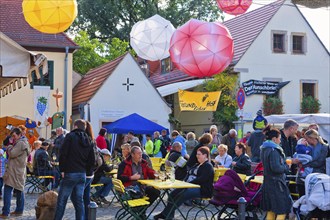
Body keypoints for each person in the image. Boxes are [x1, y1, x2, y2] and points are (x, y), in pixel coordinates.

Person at [154, 147, 214, 220]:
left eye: (199, 154)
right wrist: (184, 182)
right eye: (197, 154)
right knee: (172, 194)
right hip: (189, 185)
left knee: (181, 195)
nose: (197, 156)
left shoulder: (208, 166)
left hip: (202, 189)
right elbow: (188, 175)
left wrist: (189, 183)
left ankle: (164, 214)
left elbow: (202, 179)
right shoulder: (197, 165)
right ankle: (169, 215)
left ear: (205, 155)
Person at [54, 119, 95, 220]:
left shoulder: (70, 136)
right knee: (79, 202)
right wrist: (86, 171)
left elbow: (63, 154)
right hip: (82, 174)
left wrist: (62, 170)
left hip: (70, 173)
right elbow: (92, 160)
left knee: (62, 201)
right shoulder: (89, 139)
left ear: (75, 126)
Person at [260, 125, 291, 220]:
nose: (280, 141)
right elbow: (276, 168)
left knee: (271, 209)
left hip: (268, 182)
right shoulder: (274, 150)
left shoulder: (264, 149)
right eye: (279, 138)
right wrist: (286, 167)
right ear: (274, 139)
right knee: (283, 209)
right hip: (276, 183)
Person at [1, 127, 30, 218]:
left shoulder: (21, 143)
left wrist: (9, 146)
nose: (13, 138)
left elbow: (12, 154)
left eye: (14, 136)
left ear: (20, 135)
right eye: (12, 136)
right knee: (19, 190)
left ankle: (5, 212)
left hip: (15, 171)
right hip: (18, 170)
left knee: (8, 189)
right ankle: (19, 210)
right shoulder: (22, 142)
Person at [71, 121, 96, 220]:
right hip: (89, 173)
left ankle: (82, 218)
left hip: (83, 173)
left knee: (76, 198)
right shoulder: (91, 139)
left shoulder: (82, 139)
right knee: (85, 198)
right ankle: (86, 217)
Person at [293, 129, 328, 196]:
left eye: (306, 139)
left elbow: (320, 162)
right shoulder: (305, 147)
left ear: (312, 138)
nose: (306, 141)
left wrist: (305, 165)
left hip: (317, 176)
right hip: (303, 177)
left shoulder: (324, 147)